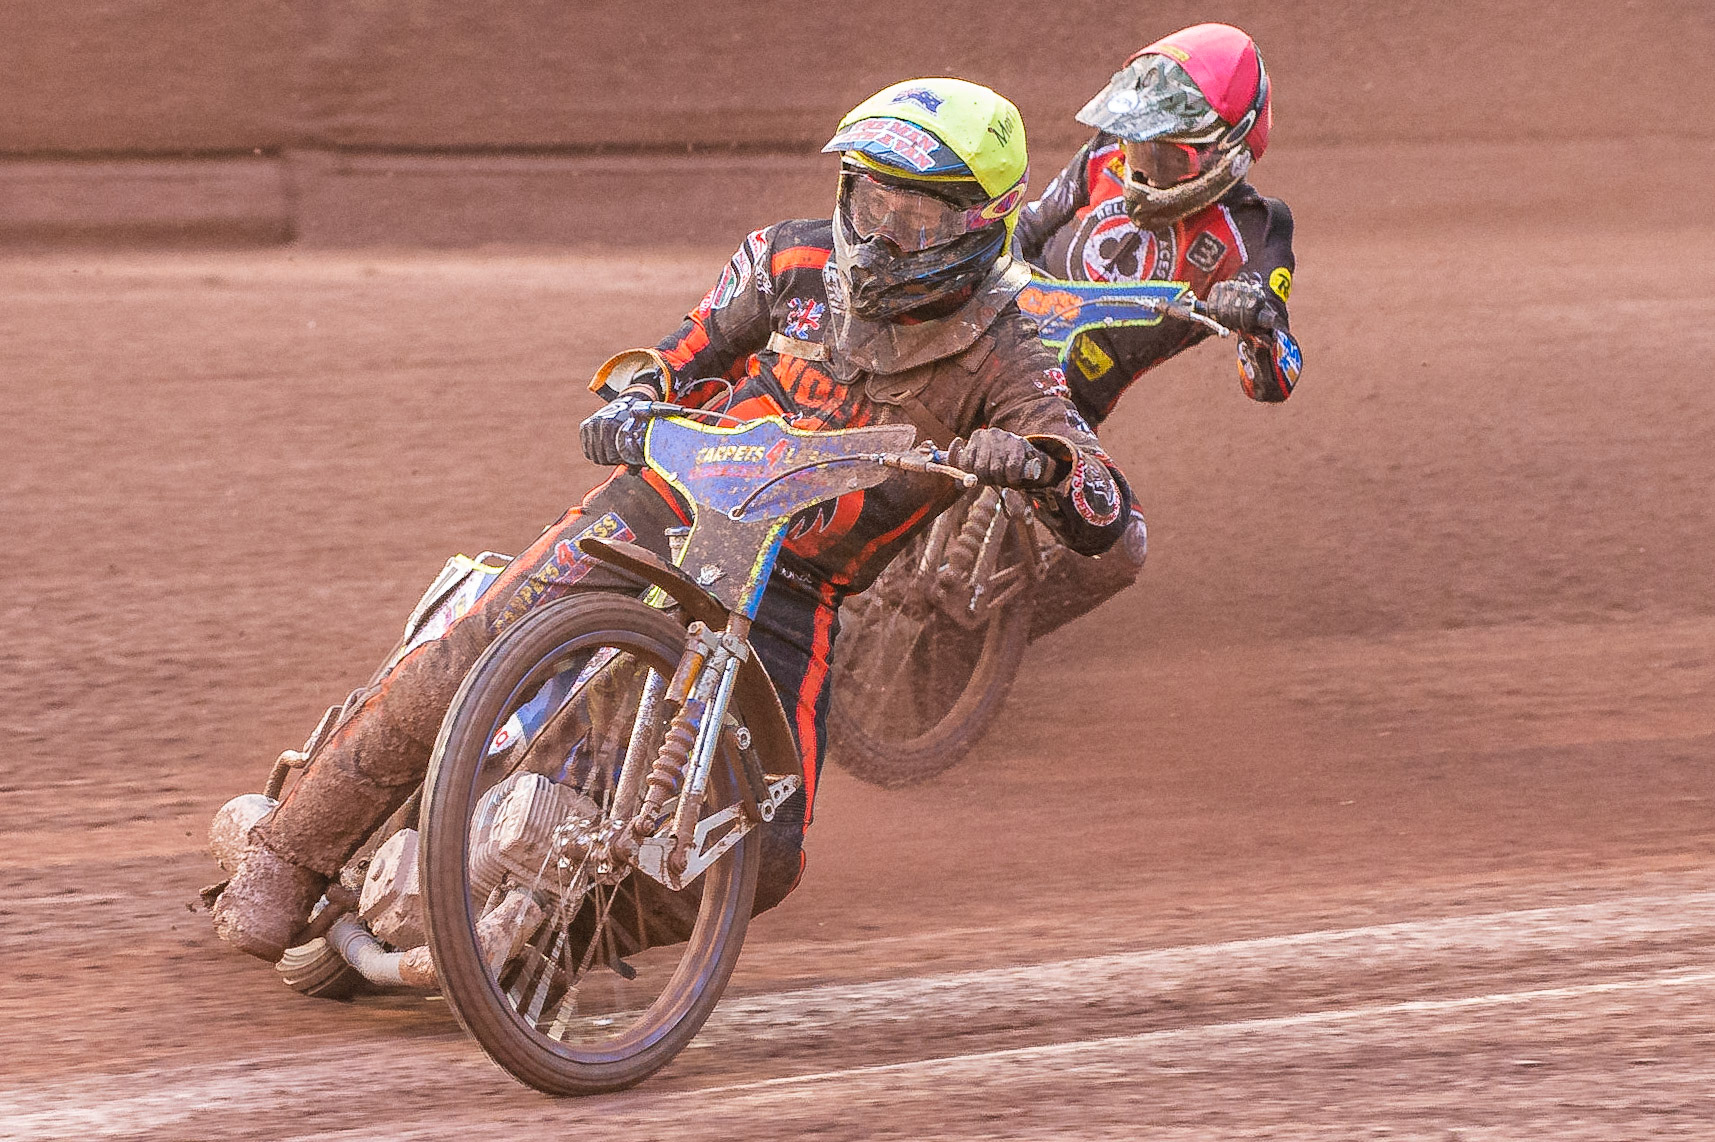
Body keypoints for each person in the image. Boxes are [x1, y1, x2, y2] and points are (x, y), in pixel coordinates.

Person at [212, 77, 1134, 962]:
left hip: (796, 587)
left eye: (917, 218)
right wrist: (636, 397)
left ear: (981, 225)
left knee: (768, 858)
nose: (884, 235)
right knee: (480, 643)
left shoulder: (1012, 352)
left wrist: (1043, 466)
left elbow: (1099, 501)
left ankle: (552, 948)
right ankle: (287, 856)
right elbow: (676, 353)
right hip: (667, 504)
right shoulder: (786, 257)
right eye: (870, 202)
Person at [1010, 23, 1303, 637]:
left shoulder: (1253, 232)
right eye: (1139, 145)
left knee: (1122, 545)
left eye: (1169, 155)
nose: (1140, 164)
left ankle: (989, 641)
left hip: (1071, 405)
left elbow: (1275, 377)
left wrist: (1253, 319)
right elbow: (1027, 229)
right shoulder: (1102, 155)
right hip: (999, 340)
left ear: (1230, 151)